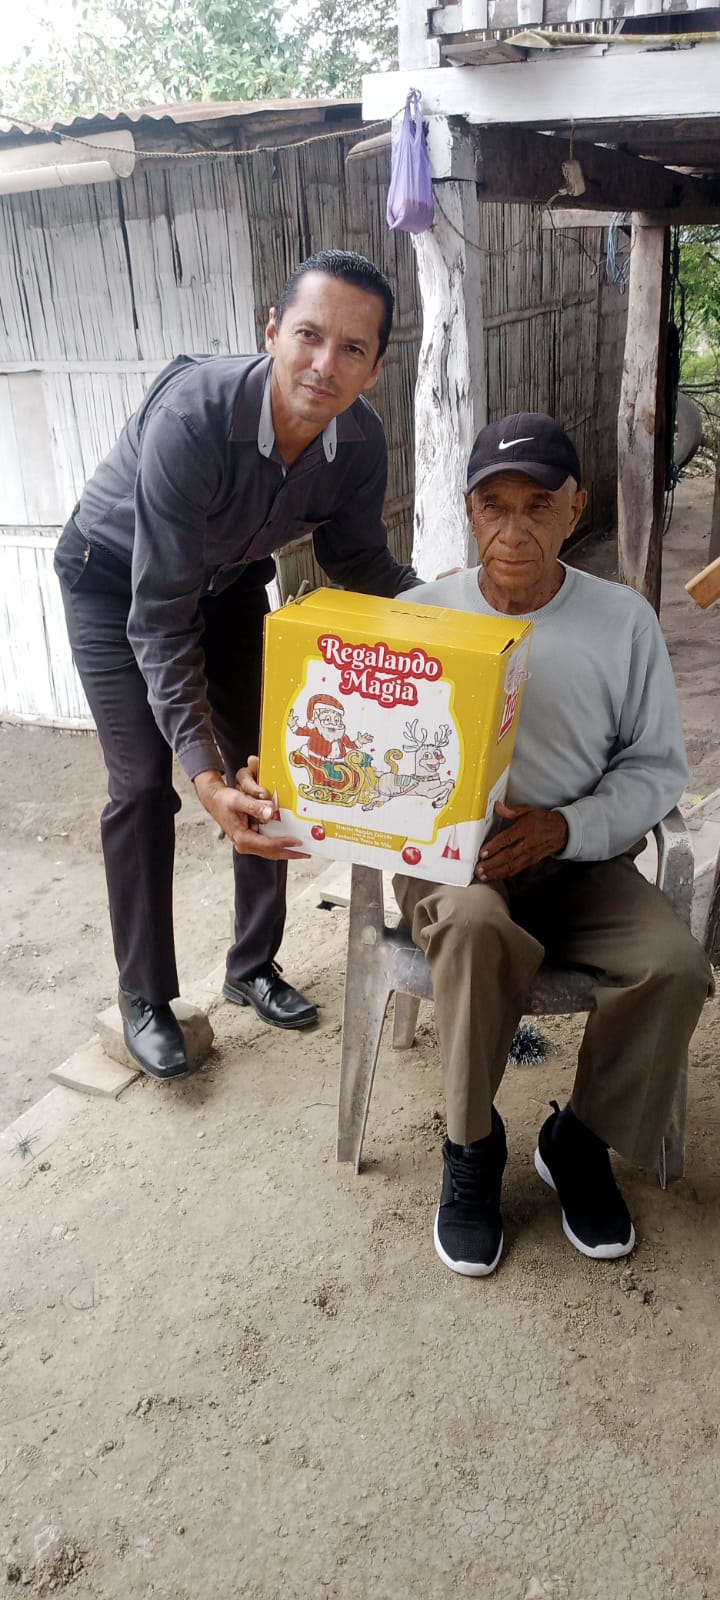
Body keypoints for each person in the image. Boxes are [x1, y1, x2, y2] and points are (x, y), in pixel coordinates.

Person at [54, 249, 416, 1082]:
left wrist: (451, 611)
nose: (324, 365)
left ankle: (251, 965)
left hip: (226, 584)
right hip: (114, 583)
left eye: (352, 349)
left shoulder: (359, 442)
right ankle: (146, 995)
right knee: (145, 785)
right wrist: (203, 776)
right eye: (309, 335)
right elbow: (158, 614)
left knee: (271, 761)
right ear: (272, 332)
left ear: (375, 367)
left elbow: (358, 560)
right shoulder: (196, 419)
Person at [389, 412, 713, 1277]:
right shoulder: (417, 619)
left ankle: (578, 1139)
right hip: (454, 867)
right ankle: (472, 1148)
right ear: (469, 512)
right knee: (473, 927)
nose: (515, 529)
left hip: (577, 859)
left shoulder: (622, 621)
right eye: (495, 505)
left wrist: (566, 827)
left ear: (576, 509)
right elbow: (363, 753)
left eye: (539, 505)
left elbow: (655, 770)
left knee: (675, 966)